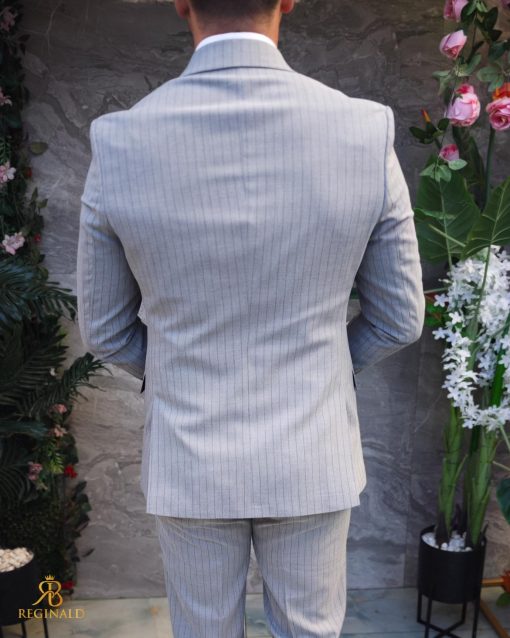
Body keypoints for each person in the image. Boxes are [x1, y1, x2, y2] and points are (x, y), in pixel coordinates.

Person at [76, 0, 425, 635]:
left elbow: (104, 329)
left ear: (181, 2)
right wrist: (325, 369)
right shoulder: (363, 130)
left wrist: (178, 373)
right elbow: (399, 317)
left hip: (189, 454)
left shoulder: (120, 139)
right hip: (312, 449)